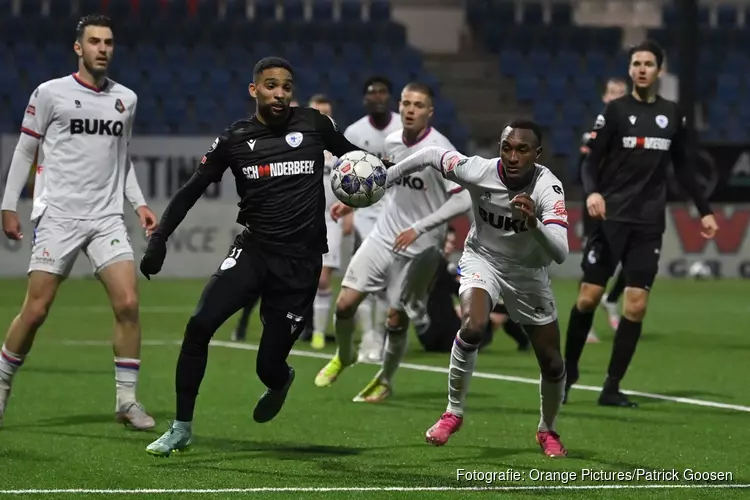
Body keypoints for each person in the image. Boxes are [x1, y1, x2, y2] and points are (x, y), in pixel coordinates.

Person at [139, 57, 364, 457]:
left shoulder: (314, 124)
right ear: (254, 90)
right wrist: (159, 239)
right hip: (254, 250)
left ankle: (280, 381)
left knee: (267, 366)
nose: (280, 94)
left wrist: (396, 174)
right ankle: (181, 427)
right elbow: (192, 189)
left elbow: (359, 162)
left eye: (287, 87)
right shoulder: (235, 139)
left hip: (300, 264)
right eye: (272, 86)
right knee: (199, 325)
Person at [0, 14, 157, 429]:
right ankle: (1, 387)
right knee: (35, 311)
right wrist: (8, 204)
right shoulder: (50, 93)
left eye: (108, 42)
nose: (103, 49)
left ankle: (126, 401)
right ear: (78, 47)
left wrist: (138, 204)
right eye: (95, 42)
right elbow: (24, 151)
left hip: (106, 218)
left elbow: (123, 160)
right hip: (59, 216)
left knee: (128, 303)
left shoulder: (126, 99)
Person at [383, 120, 570, 457]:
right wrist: (388, 176)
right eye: (507, 147)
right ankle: (453, 413)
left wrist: (535, 224)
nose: (512, 156)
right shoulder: (478, 170)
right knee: (472, 327)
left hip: (528, 274)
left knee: (553, 363)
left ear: (537, 154)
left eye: (522, 149)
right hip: (482, 260)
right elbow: (431, 154)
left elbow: (560, 252)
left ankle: (548, 430)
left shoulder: (548, 188)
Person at [564, 40, 719, 408]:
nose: (642, 69)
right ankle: (566, 372)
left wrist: (705, 209)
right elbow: (590, 162)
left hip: (648, 222)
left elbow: (683, 167)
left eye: (649, 63)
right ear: (630, 69)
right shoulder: (615, 111)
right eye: (636, 63)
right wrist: (592, 192)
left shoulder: (672, 114)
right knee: (588, 297)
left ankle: (611, 387)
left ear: (660, 70)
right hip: (610, 218)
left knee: (635, 306)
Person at [315, 82, 472, 403]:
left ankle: (385, 379)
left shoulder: (441, 150)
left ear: (430, 112)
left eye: (418, 105)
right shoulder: (391, 142)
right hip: (386, 233)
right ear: (399, 107)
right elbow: (390, 178)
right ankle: (345, 355)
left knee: (396, 317)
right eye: (406, 103)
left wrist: (420, 227)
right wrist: (353, 201)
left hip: (423, 246)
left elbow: (463, 201)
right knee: (345, 304)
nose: (410, 109)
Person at [229, 94, 353, 347]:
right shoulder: (301, 143)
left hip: (330, 219)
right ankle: (273, 324)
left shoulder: (338, 148)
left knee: (321, 278)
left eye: (326, 110)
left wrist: (351, 210)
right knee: (278, 276)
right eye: (318, 109)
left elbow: (354, 182)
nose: (323, 113)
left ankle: (315, 331)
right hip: (298, 218)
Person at [343, 76, 402, 363]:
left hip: (397, 213)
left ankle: (381, 335)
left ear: (390, 97)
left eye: (382, 91)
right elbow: (343, 174)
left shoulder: (404, 129)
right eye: (371, 92)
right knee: (369, 279)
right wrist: (345, 207)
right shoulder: (354, 132)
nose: (377, 96)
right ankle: (370, 337)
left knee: (392, 282)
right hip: (365, 213)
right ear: (365, 99)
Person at [415, 227, 529, 353]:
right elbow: (469, 296)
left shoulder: (424, 265)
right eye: (446, 242)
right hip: (449, 340)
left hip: (427, 337)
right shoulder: (444, 267)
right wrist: (506, 308)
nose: (450, 246)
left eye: (452, 242)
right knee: (497, 314)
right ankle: (525, 342)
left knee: (460, 308)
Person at [578, 77, 628, 342]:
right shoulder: (593, 132)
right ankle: (586, 322)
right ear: (605, 98)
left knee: (630, 259)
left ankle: (611, 298)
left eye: (622, 92)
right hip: (597, 205)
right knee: (593, 264)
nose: (617, 97)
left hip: (626, 206)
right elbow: (584, 169)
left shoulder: (635, 130)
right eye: (612, 93)